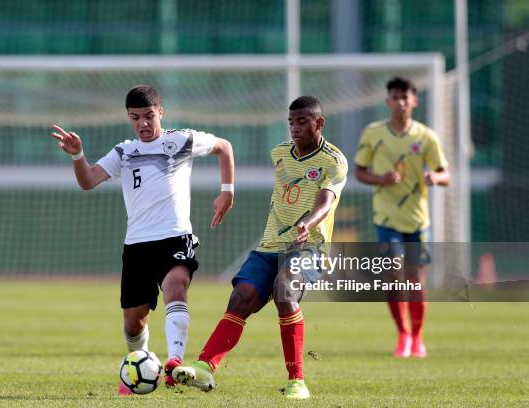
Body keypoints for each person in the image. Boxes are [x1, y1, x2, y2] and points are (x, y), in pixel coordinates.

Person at [49, 85, 234, 394]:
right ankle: (139, 362)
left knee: (176, 288)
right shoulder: (123, 151)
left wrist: (227, 191)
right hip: (137, 245)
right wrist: (78, 155)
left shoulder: (180, 140)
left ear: (160, 112)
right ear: (129, 118)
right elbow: (88, 181)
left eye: (149, 116)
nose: (143, 124)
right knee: (134, 322)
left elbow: (224, 147)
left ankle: (175, 365)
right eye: (136, 118)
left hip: (175, 237)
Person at [172, 96, 348, 400]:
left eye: (302, 121)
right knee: (241, 299)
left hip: (310, 248)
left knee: (285, 290)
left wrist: (309, 223)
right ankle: (205, 367)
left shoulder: (333, 160)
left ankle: (297, 381)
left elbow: (326, 201)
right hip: (269, 246)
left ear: (319, 123)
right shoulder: (279, 153)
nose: (294, 127)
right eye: (291, 122)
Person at [354, 77, 450, 358]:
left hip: (418, 220)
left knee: (416, 281)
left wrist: (435, 177)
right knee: (393, 276)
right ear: (388, 102)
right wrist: (379, 178)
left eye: (405, 97)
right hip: (386, 219)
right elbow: (359, 172)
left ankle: (418, 337)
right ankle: (403, 335)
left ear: (415, 101)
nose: (401, 102)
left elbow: (446, 174)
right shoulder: (373, 133)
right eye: (395, 97)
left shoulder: (426, 137)